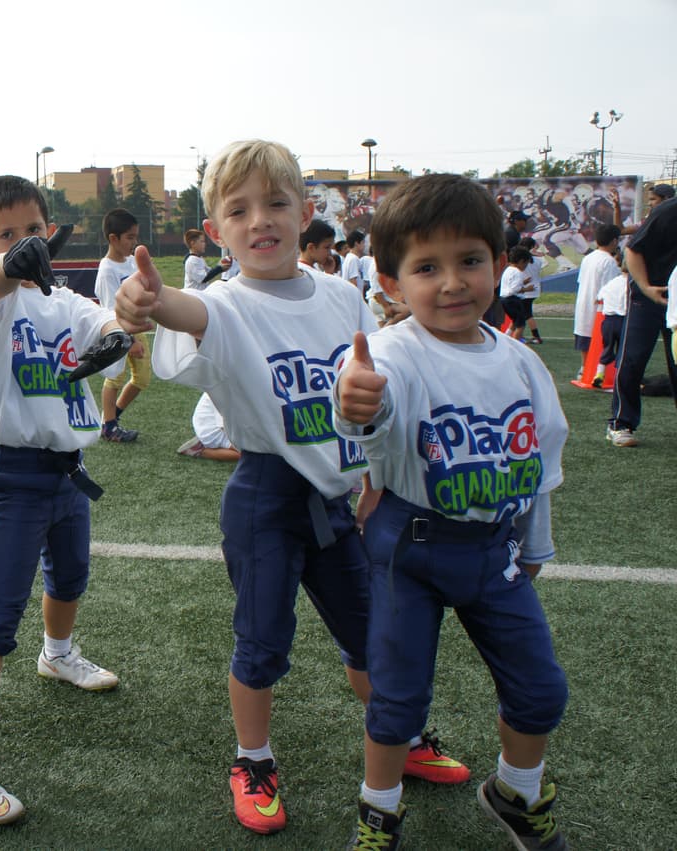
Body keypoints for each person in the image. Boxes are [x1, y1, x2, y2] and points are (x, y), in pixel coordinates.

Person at [113, 140, 466, 837]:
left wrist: (371, 476)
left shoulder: (341, 297)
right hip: (265, 496)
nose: (260, 220)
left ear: (305, 213)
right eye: (238, 210)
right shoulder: (225, 301)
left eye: (276, 203)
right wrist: (149, 299)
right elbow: (192, 313)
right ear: (216, 231)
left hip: (335, 499)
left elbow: (372, 389)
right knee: (262, 641)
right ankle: (253, 759)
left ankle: (399, 732)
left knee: (373, 636)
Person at [333, 172, 569, 851]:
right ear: (389, 281)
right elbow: (372, 419)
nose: (452, 282)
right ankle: (378, 811)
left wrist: (535, 545)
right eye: (426, 267)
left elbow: (540, 470)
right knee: (398, 697)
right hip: (410, 545)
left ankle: (517, 793)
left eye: (469, 260)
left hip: (495, 548)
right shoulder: (394, 353)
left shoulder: (523, 365)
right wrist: (360, 404)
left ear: (497, 262)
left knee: (541, 689)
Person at [0, 175, 125, 825]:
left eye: (33, 231)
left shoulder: (60, 301)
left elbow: (99, 320)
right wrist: (4, 265)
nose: (25, 245)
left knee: (71, 575)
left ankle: (58, 653)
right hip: (15, 477)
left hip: (68, 471)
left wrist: (115, 330)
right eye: (6, 233)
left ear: (51, 233)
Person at [608, 192, 677, 447]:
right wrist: (647, 288)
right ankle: (620, 423)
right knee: (633, 359)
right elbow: (632, 251)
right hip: (649, 294)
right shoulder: (667, 212)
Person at [94, 207, 149, 443]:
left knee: (142, 379)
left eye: (135, 236)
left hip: (136, 328)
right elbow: (111, 309)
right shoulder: (107, 270)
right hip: (116, 332)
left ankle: (111, 417)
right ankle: (109, 426)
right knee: (115, 377)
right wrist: (131, 341)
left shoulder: (130, 262)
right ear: (113, 239)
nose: (133, 242)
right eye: (129, 237)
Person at [573, 224, 622, 352]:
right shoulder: (609, 261)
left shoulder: (588, 258)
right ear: (614, 241)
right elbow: (609, 289)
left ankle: (583, 369)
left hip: (583, 305)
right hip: (598, 310)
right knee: (599, 349)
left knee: (585, 343)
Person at [176, 392, 239, 461]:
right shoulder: (220, 391)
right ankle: (200, 450)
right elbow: (224, 426)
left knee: (249, 451)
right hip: (213, 430)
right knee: (247, 454)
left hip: (225, 425)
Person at [596, 260, 628, 387]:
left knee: (607, 347)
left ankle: (599, 374)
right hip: (623, 319)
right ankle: (620, 378)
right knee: (623, 350)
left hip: (608, 320)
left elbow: (599, 297)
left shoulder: (611, 283)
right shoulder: (630, 284)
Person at [498, 246, 534, 339]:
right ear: (521, 261)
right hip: (512, 300)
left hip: (503, 299)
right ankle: (515, 344)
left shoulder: (508, 269)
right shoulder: (518, 272)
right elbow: (514, 289)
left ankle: (506, 337)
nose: (526, 267)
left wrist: (524, 282)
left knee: (515, 321)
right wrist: (527, 289)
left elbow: (510, 284)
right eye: (526, 264)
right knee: (521, 325)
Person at [517, 236, 545, 344]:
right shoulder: (537, 260)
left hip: (525, 290)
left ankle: (535, 336)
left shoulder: (523, 260)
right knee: (526, 313)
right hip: (534, 288)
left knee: (526, 314)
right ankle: (525, 335)